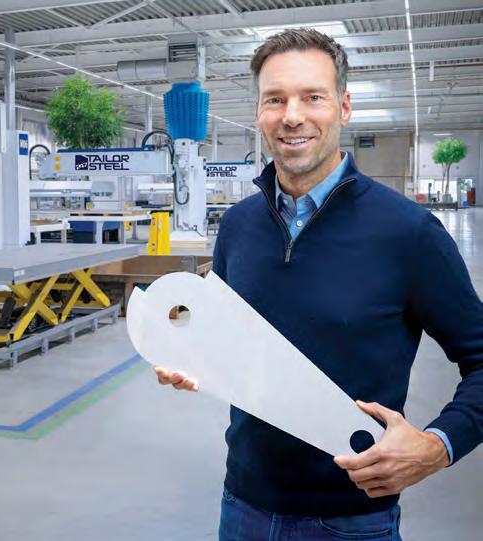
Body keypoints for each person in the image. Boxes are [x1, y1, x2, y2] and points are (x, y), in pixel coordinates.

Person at [155, 28, 483, 540]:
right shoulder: (238, 226)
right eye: (275, 99)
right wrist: (192, 358)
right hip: (242, 505)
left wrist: (439, 445)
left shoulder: (408, 232)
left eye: (313, 97)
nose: (292, 116)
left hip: (353, 519)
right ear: (259, 111)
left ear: (343, 108)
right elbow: (228, 339)